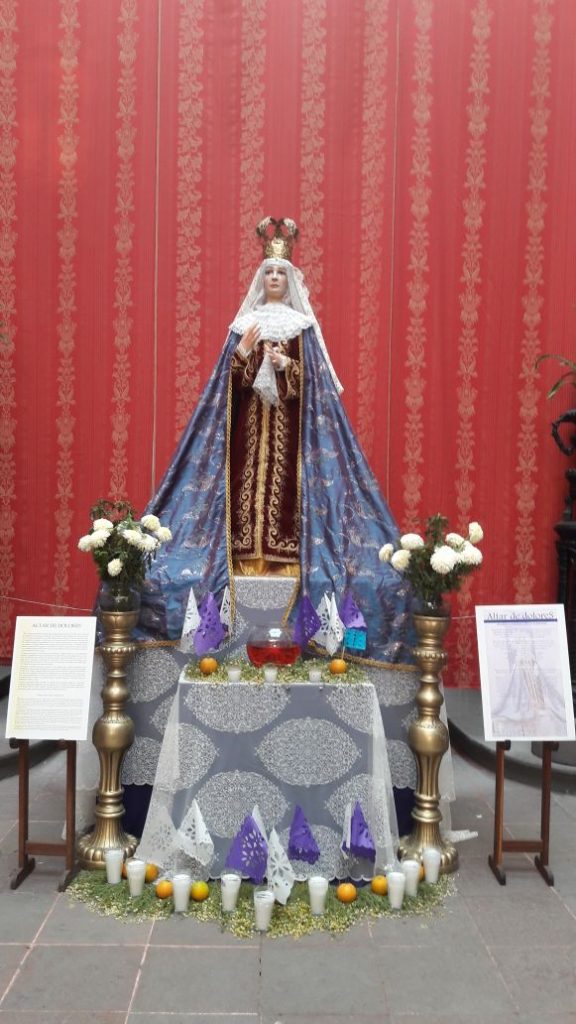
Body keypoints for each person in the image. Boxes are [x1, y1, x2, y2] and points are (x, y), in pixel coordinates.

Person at [137, 217, 414, 666]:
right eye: (268, 272)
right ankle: (245, 564)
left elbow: (316, 394)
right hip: (249, 437)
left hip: (291, 443)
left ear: (290, 281)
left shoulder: (302, 328)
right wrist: (244, 357)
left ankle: (287, 568)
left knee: (286, 503)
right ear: (260, 278)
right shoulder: (243, 326)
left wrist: (287, 366)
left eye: (280, 273)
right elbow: (227, 393)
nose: (273, 278)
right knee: (246, 501)